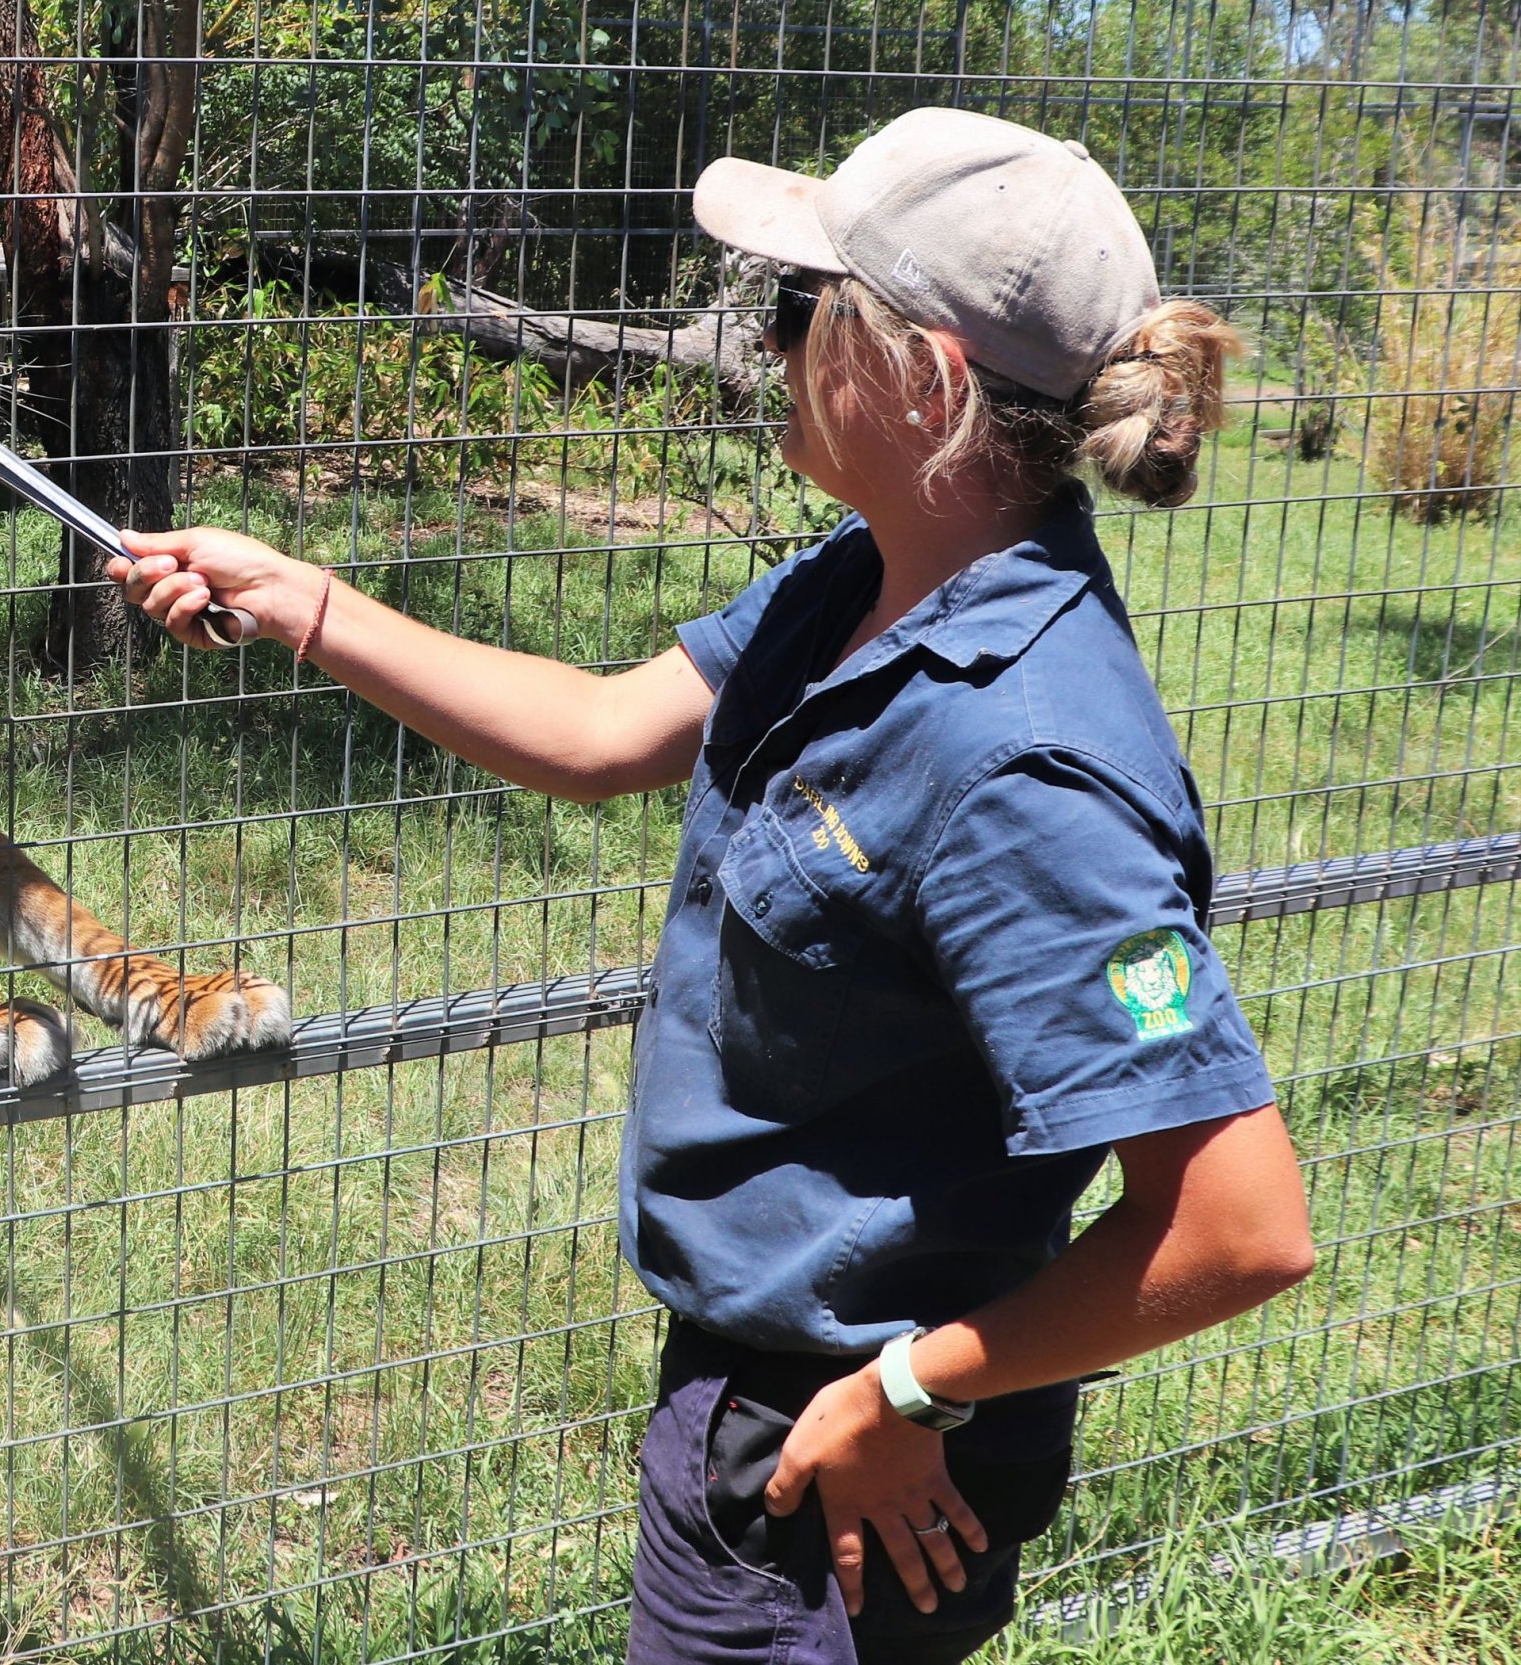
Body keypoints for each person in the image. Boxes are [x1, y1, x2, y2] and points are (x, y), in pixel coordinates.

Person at [114, 109, 1316, 1664]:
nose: (764, 335)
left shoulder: (1027, 767)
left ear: (926, 376)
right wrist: (306, 601)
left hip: (844, 1460)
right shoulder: (877, 575)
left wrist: (908, 1391)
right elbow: (606, 729)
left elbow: (1240, 1225)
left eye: (802, 305)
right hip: (762, 1404)